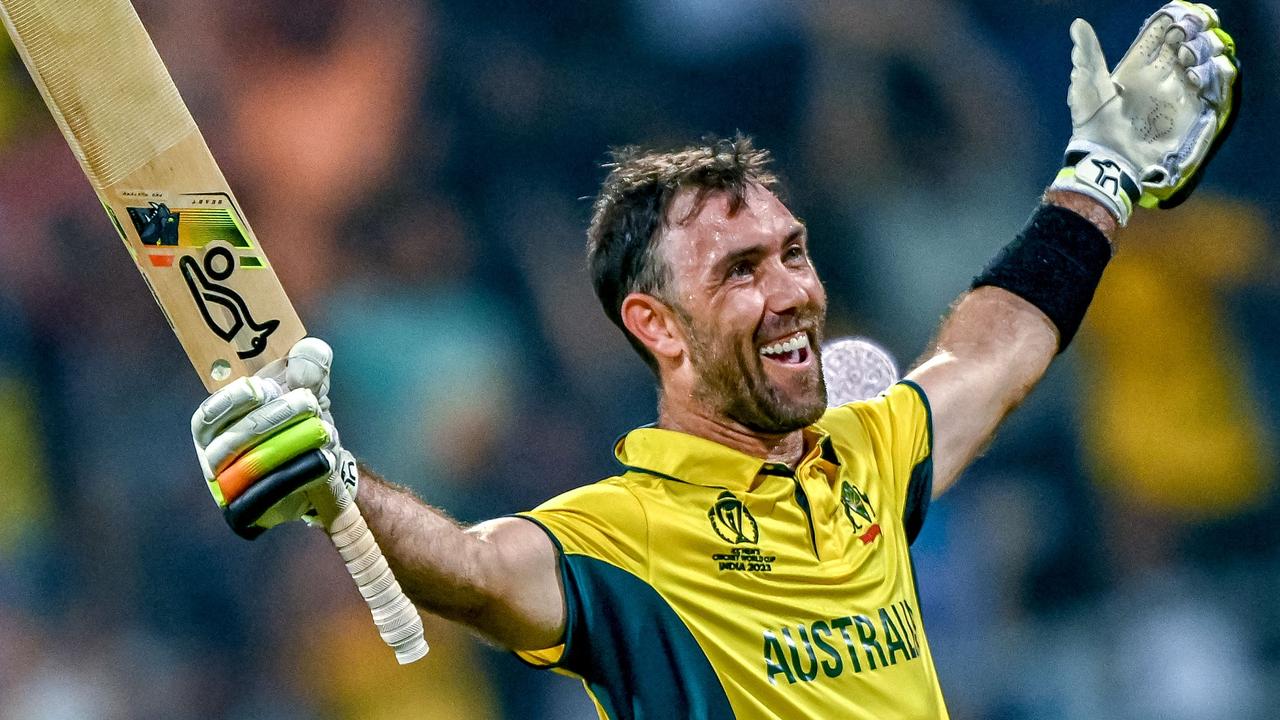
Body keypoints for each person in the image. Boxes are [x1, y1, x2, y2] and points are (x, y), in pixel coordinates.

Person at [189, 4, 1238, 718]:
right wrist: (338, 487)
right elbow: (470, 568)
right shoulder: (626, 537)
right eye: (740, 269)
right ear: (656, 326)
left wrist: (1097, 178)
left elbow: (988, 352)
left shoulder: (862, 456)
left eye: (792, 253)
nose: (791, 293)